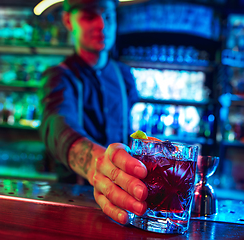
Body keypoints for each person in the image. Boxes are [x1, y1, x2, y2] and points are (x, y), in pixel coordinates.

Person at [39, 0, 148, 225]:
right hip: (72, 205)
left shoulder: (124, 75)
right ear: (68, 21)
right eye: (90, 16)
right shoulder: (58, 77)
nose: (102, 25)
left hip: (123, 204)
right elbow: (56, 127)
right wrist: (98, 165)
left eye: (108, 16)